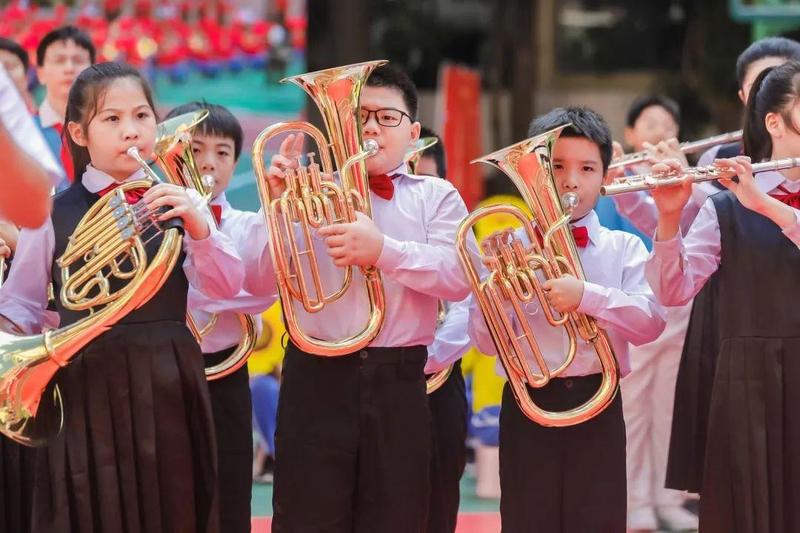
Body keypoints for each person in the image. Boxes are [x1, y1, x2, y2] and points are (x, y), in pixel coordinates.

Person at [0, 62, 244, 533]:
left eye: (141, 116)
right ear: (78, 131)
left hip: (170, 377)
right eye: (111, 119)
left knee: (173, 506)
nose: (130, 131)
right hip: (84, 379)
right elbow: (23, 305)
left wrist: (199, 223)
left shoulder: (180, 201)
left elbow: (225, 286)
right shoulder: (52, 210)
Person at [254, 64, 473, 532]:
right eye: (360, 116)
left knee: (396, 517)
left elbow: (458, 278)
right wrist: (272, 207)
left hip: (399, 380)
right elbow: (258, 279)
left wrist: (384, 251)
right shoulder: (305, 193)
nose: (371, 127)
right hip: (315, 375)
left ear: (413, 133)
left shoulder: (438, 197)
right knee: (304, 517)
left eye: (386, 117)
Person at [468, 106, 666, 533]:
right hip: (527, 402)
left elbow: (651, 322)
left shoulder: (623, 248)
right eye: (555, 166)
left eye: (587, 167)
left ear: (605, 178)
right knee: (526, 520)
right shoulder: (507, 249)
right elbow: (485, 343)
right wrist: (498, 294)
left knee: (598, 519)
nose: (571, 180)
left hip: (600, 400)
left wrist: (587, 297)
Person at [646, 59, 800, 533]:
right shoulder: (724, 205)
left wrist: (767, 206)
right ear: (774, 121)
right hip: (745, 384)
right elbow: (672, 291)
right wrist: (669, 219)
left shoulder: (751, 199)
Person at [166, 100, 277, 532]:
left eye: (222, 152)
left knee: (229, 496)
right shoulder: (141, 223)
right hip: (158, 374)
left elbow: (257, 294)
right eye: (194, 150)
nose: (208, 163)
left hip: (225, 375)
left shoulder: (249, 226)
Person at [415, 126, 471, 533]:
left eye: (428, 178)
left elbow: (467, 307)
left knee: (440, 504)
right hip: (376, 382)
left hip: (440, 380)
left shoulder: (458, 228)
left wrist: (418, 358)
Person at [34, 25, 95, 188]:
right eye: (59, 60)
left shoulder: (109, 129)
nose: (69, 68)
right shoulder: (22, 131)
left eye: (78, 60)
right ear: (40, 73)